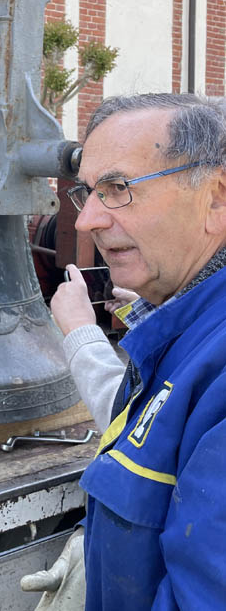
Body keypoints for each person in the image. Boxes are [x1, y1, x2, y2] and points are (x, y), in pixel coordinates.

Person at [45, 92, 226, 609]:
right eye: (88, 193)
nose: (85, 222)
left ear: (215, 198)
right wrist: (99, 547)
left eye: (118, 188)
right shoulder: (175, 331)